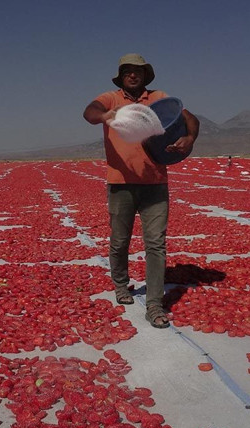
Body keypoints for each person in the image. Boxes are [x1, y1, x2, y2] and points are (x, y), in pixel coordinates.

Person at [83, 53, 199, 329]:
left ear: (145, 76)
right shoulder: (111, 98)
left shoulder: (158, 97)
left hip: (155, 184)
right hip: (121, 183)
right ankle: (122, 285)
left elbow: (190, 117)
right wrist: (104, 116)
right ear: (121, 75)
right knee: (120, 241)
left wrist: (190, 137)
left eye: (138, 71)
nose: (133, 75)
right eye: (128, 71)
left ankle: (155, 305)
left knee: (156, 244)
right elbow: (89, 112)